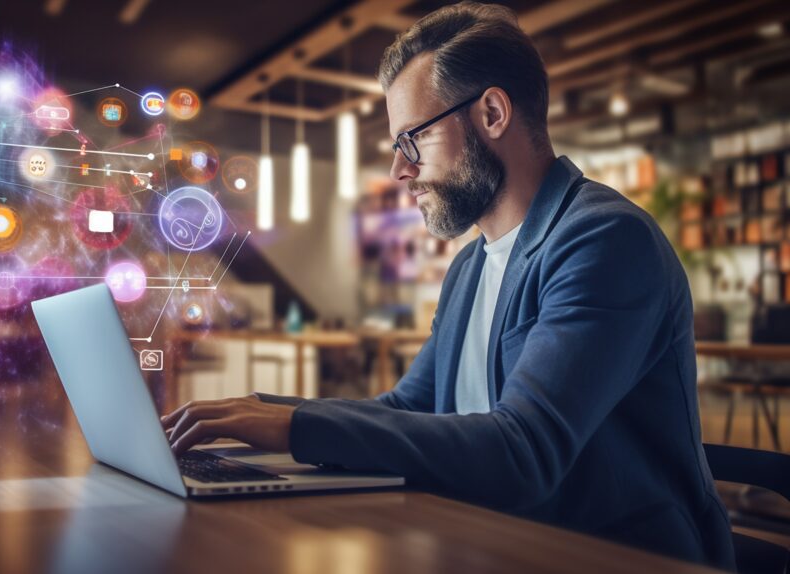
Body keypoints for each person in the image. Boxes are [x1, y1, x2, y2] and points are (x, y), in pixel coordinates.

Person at [161, 2, 735, 568]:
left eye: (413, 139)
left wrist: (296, 426)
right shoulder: (470, 266)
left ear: (491, 114)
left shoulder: (604, 240)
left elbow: (524, 451)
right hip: (488, 538)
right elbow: (409, 408)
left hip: (607, 554)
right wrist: (265, 412)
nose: (399, 171)